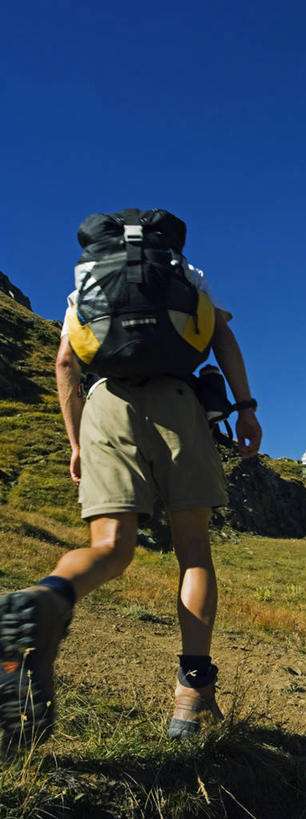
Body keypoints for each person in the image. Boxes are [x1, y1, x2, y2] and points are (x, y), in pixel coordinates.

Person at [0, 225, 262, 748]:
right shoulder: (186, 277)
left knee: (110, 547)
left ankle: (47, 599)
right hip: (178, 405)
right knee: (192, 549)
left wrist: (77, 443)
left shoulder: (88, 285)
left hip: (105, 405)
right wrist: (246, 408)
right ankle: (192, 690)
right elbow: (223, 337)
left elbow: (65, 362)